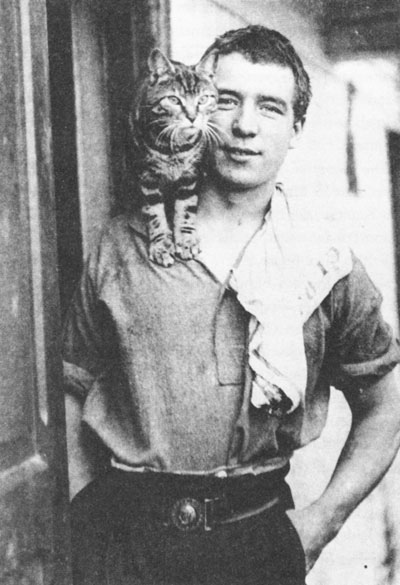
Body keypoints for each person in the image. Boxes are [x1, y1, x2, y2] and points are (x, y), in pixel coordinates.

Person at [63, 25, 400, 585]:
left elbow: (385, 402)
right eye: (227, 100)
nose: (244, 125)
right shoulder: (123, 245)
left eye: (270, 107)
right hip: (126, 545)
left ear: (296, 129)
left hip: (257, 542)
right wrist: (83, 519)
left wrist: (321, 523)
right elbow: (72, 384)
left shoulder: (324, 265)